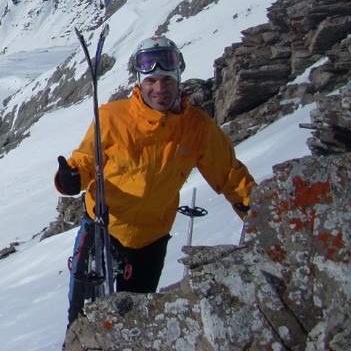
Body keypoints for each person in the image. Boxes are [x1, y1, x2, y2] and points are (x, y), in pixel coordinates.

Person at [54, 35, 254, 327]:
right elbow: (86, 159)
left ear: (178, 78)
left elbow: (229, 174)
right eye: (151, 81)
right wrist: (71, 177)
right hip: (102, 228)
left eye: (167, 80)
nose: (160, 89)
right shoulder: (112, 117)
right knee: (83, 319)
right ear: (139, 82)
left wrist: (255, 208)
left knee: (135, 321)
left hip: (151, 240)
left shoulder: (197, 128)